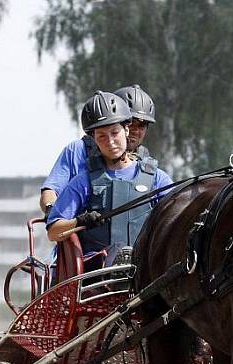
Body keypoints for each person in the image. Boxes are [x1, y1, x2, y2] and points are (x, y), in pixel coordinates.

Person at [46, 90, 172, 266]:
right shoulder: (82, 182)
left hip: (146, 271)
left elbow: (178, 216)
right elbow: (53, 231)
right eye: (102, 136)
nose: (110, 142)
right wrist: (79, 221)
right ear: (93, 139)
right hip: (97, 277)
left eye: (114, 132)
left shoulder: (157, 178)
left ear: (126, 130)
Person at [39, 84, 158, 214]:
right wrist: (54, 213)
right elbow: (51, 191)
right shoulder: (78, 151)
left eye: (142, 125)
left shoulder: (148, 167)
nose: (135, 130)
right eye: (131, 122)